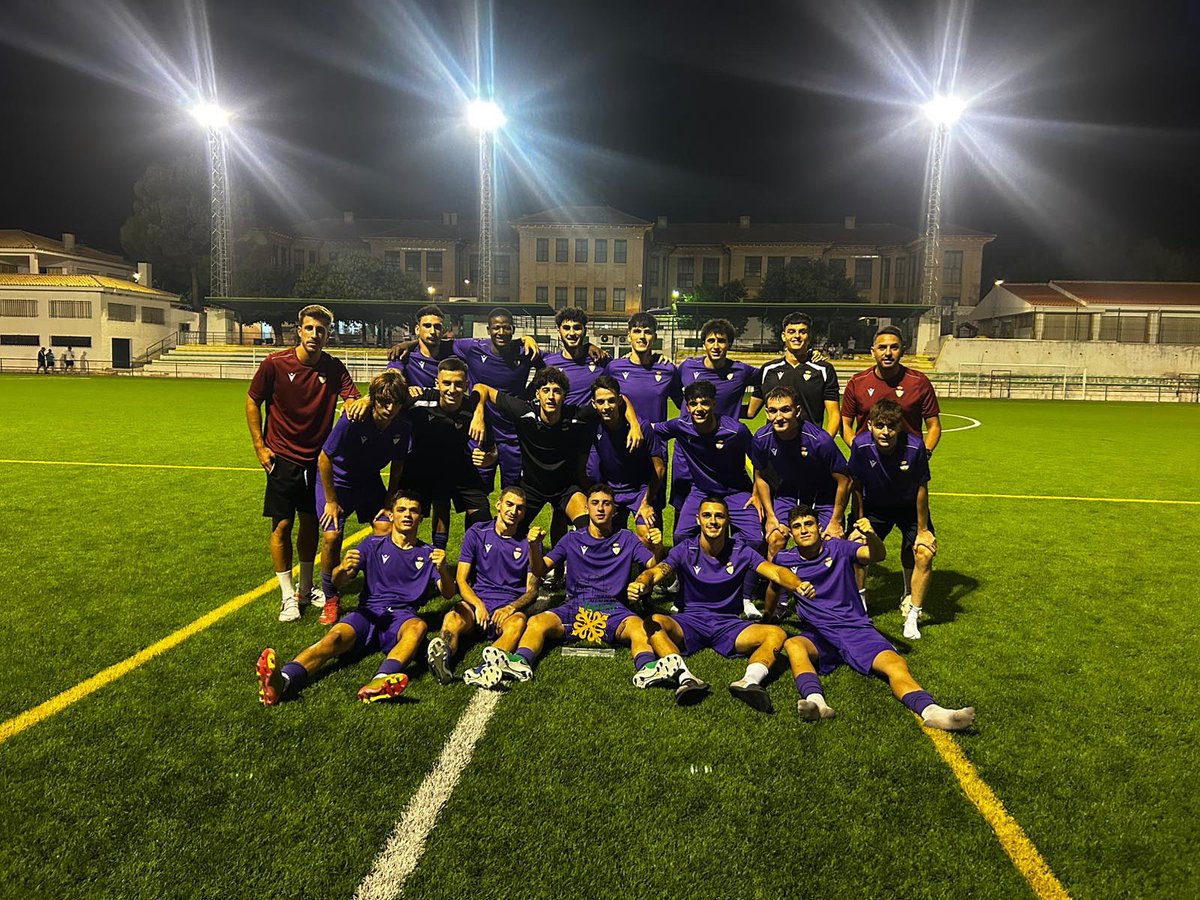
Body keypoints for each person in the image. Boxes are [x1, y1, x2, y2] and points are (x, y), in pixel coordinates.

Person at [770, 505, 974, 729]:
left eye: (808, 524)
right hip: (819, 633)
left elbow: (876, 555)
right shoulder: (784, 559)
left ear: (819, 527)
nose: (804, 530)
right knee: (794, 644)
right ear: (791, 533)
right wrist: (768, 616)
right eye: (797, 527)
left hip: (855, 628)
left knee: (894, 664)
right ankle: (817, 702)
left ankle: (934, 711)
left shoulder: (838, 548)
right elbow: (773, 586)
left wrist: (872, 536)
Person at [255, 489, 455, 706]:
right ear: (391, 515)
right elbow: (338, 581)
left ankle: (380, 681)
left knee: (417, 628)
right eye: (402, 510)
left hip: (402, 617)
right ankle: (282, 680)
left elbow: (448, 593)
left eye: (414, 511)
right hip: (368, 613)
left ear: (421, 517)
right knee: (332, 640)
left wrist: (443, 570)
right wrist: (342, 568)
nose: (407, 515)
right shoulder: (372, 544)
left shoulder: (428, 553)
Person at [474, 483, 679, 689]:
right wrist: (534, 547)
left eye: (606, 504)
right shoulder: (571, 538)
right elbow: (540, 570)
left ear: (614, 509)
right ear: (586, 508)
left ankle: (648, 668)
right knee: (536, 622)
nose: (600, 508)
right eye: (595, 503)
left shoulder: (626, 538)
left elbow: (653, 565)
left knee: (639, 628)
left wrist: (657, 548)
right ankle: (521, 662)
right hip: (574, 606)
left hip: (613, 608)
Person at [629, 496, 817, 712]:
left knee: (776, 634)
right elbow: (656, 571)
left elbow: (774, 570)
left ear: (728, 520)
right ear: (698, 519)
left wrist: (797, 584)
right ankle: (685, 678)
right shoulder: (685, 549)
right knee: (653, 622)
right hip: (690, 621)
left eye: (719, 516)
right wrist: (641, 583)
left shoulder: (741, 550)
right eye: (707, 515)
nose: (713, 521)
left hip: (729, 624)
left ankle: (749, 682)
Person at [246, 304, 368, 622]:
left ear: (327, 334)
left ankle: (306, 587)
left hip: (318, 460)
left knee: (311, 523)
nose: (315, 334)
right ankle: (287, 595)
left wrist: (355, 403)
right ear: (299, 331)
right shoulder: (275, 363)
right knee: (283, 525)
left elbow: (352, 396)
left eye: (321, 330)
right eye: (310, 328)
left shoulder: (333, 367)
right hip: (282, 457)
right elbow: (252, 400)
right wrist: (260, 446)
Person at [469, 366, 643, 535]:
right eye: (546, 390)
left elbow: (621, 399)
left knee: (590, 529)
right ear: (538, 394)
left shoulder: (575, 415)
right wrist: (478, 414)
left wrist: (634, 425)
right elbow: (481, 388)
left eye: (557, 391)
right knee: (508, 529)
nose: (551, 396)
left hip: (566, 488)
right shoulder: (523, 411)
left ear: (564, 395)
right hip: (531, 486)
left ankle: (570, 562)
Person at [652, 379, 765, 618]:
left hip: (736, 491)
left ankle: (745, 597)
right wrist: (629, 415)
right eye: (693, 404)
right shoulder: (681, 425)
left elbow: (758, 461)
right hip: (701, 491)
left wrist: (756, 493)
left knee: (755, 539)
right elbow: (650, 428)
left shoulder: (736, 430)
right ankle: (685, 592)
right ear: (687, 406)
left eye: (704, 403)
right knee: (682, 536)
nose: (699, 408)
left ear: (714, 404)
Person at [315, 370, 412, 626]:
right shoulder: (354, 418)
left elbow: (398, 466)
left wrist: (388, 503)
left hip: (368, 481)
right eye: (384, 402)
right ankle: (331, 597)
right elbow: (324, 458)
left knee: (386, 527)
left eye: (396, 403)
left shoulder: (403, 425)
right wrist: (331, 501)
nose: (390, 408)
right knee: (332, 535)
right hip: (337, 482)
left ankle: (382, 588)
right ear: (375, 399)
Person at [430, 487, 546, 687]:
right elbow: (462, 580)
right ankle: (443, 656)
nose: (513, 511)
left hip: (507, 608)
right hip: (478, 602)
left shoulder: (530, 543)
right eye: (509, 505)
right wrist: (477, 605)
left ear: (524, 513)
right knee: (452, 617)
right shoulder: (477, 532)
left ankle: (485, 668)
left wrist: (510, 608)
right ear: (498, 505)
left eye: (520, 508)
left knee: (518, 622)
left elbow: (532, 590)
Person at [847, 399, 937, 640]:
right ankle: (860, 606)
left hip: (908, 508)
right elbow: (855, 485)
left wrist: (923, 529)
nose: (885, 432)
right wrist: (860, 521)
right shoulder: (860, 445)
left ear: (900, 428)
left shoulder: (916, 447)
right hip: (876, 508)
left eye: (891, 426)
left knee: (924, 552)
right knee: (856, 549)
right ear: (870, 426)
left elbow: (921, 488)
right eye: (879, 426)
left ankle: (912, 613)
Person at [401, 357, 496, 555]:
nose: (452, 389)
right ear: (437, 383)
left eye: (458, 384)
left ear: (466, 385)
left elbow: (492, 449)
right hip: (421, 466)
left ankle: (475, 563)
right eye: (447, 383)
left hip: (458, 464)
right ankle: (410, 564)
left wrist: (489, 457)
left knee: (482, 514)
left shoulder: (474, 409)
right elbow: (387, 403)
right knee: (408, 515)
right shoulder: (420, 401)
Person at [751, 385, 850, 560]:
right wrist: (771, 517)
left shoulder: (820, 440)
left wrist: (836, 520)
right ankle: (776, 585)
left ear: (797, 411)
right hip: (787, 493)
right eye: (773, 411)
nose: (779, 417)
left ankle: (828, 585)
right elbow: (760, 476)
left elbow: (845, 480)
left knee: (832, 542)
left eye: (785, 410)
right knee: (775, 538)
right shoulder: (761, 438)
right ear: (766, 413)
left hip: (822, 495)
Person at [672, 318, 757, 513]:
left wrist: (751, 411)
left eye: (721, 341)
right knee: (684, 505)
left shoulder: (740, 370)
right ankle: (684, 544)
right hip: (689, 448)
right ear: (704, 343)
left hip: (724, 448)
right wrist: (689, 413)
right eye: (711, 341)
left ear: (729, 344)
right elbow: (675, 390)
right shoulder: (687, 367)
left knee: (728, 503)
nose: (716, 346)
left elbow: (767, 379)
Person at [587, 375, 666, 542]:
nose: (606, 406)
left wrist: (647, 502)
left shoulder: (642, 427)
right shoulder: (592, 425)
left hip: (641, 490)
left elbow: (659, 468)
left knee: (648, 537)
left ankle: (653, 567)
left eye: (611, 401)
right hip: (612, 490)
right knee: (603, 536)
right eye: (601, 402)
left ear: (619, 401)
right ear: (594, 404)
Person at [841, 325, 941, 455]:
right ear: (873, 351)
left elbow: (934, 426)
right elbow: (845, 424)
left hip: (907, 461)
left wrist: (924, 454)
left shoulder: (919, 382)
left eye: (894, 347)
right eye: (882, 347)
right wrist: (859, 450)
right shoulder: (857, 382)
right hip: (868, 462)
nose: (888, 353)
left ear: (902, 351)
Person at [747, 312, 840, 438]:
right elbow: (750, 412)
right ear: (783, 336)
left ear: (809, 336)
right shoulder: (767, 370)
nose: (797, 336)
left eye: (802, 332)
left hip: (809, 444)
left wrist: (824, 442)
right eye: (791, 331)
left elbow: (834, 414)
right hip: (775, 444)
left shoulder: (824, 370)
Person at [543, 307, 609, 405]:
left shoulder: (600, 359)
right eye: (566, 328)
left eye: (577, 328)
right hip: (561, 419)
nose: (572, 333)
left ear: (585, 331)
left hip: (590, 419)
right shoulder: (547, 362)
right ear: (558, 331)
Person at [387, 304, 454, 389]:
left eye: (437, 327)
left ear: (442, 330)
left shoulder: (453, 356)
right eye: (427, 326)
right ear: (417, 329)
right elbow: (393, 375)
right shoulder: (404, 355)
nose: (432, 331)